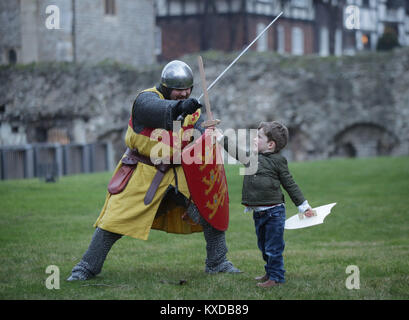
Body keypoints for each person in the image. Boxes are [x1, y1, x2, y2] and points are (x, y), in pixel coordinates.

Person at [67, 60, 240, 281]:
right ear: (166, 87)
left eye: (188, 89)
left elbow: (201, 139)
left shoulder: (192, 111)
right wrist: (178, 108)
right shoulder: (145, 100)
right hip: (144, 171)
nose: (184, 93)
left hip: (180, 174)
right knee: (115, 222)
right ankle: (86, 267)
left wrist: (218, 141)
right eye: (179, 89)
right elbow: (158, 111)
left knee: (208, 209)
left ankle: (218, 262)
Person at [215, 121, 314, 288]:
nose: (254, 139)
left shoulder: (278, 161)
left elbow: (290, 184)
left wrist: (303, 205)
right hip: (259, 213)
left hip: (274, 213)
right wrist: (220, 138)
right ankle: (269, 272)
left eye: (258, 137)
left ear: (270, 144)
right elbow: (236, 152)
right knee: (263, 245)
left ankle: (276, 278)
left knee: (273, 248)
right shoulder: (252, 158)